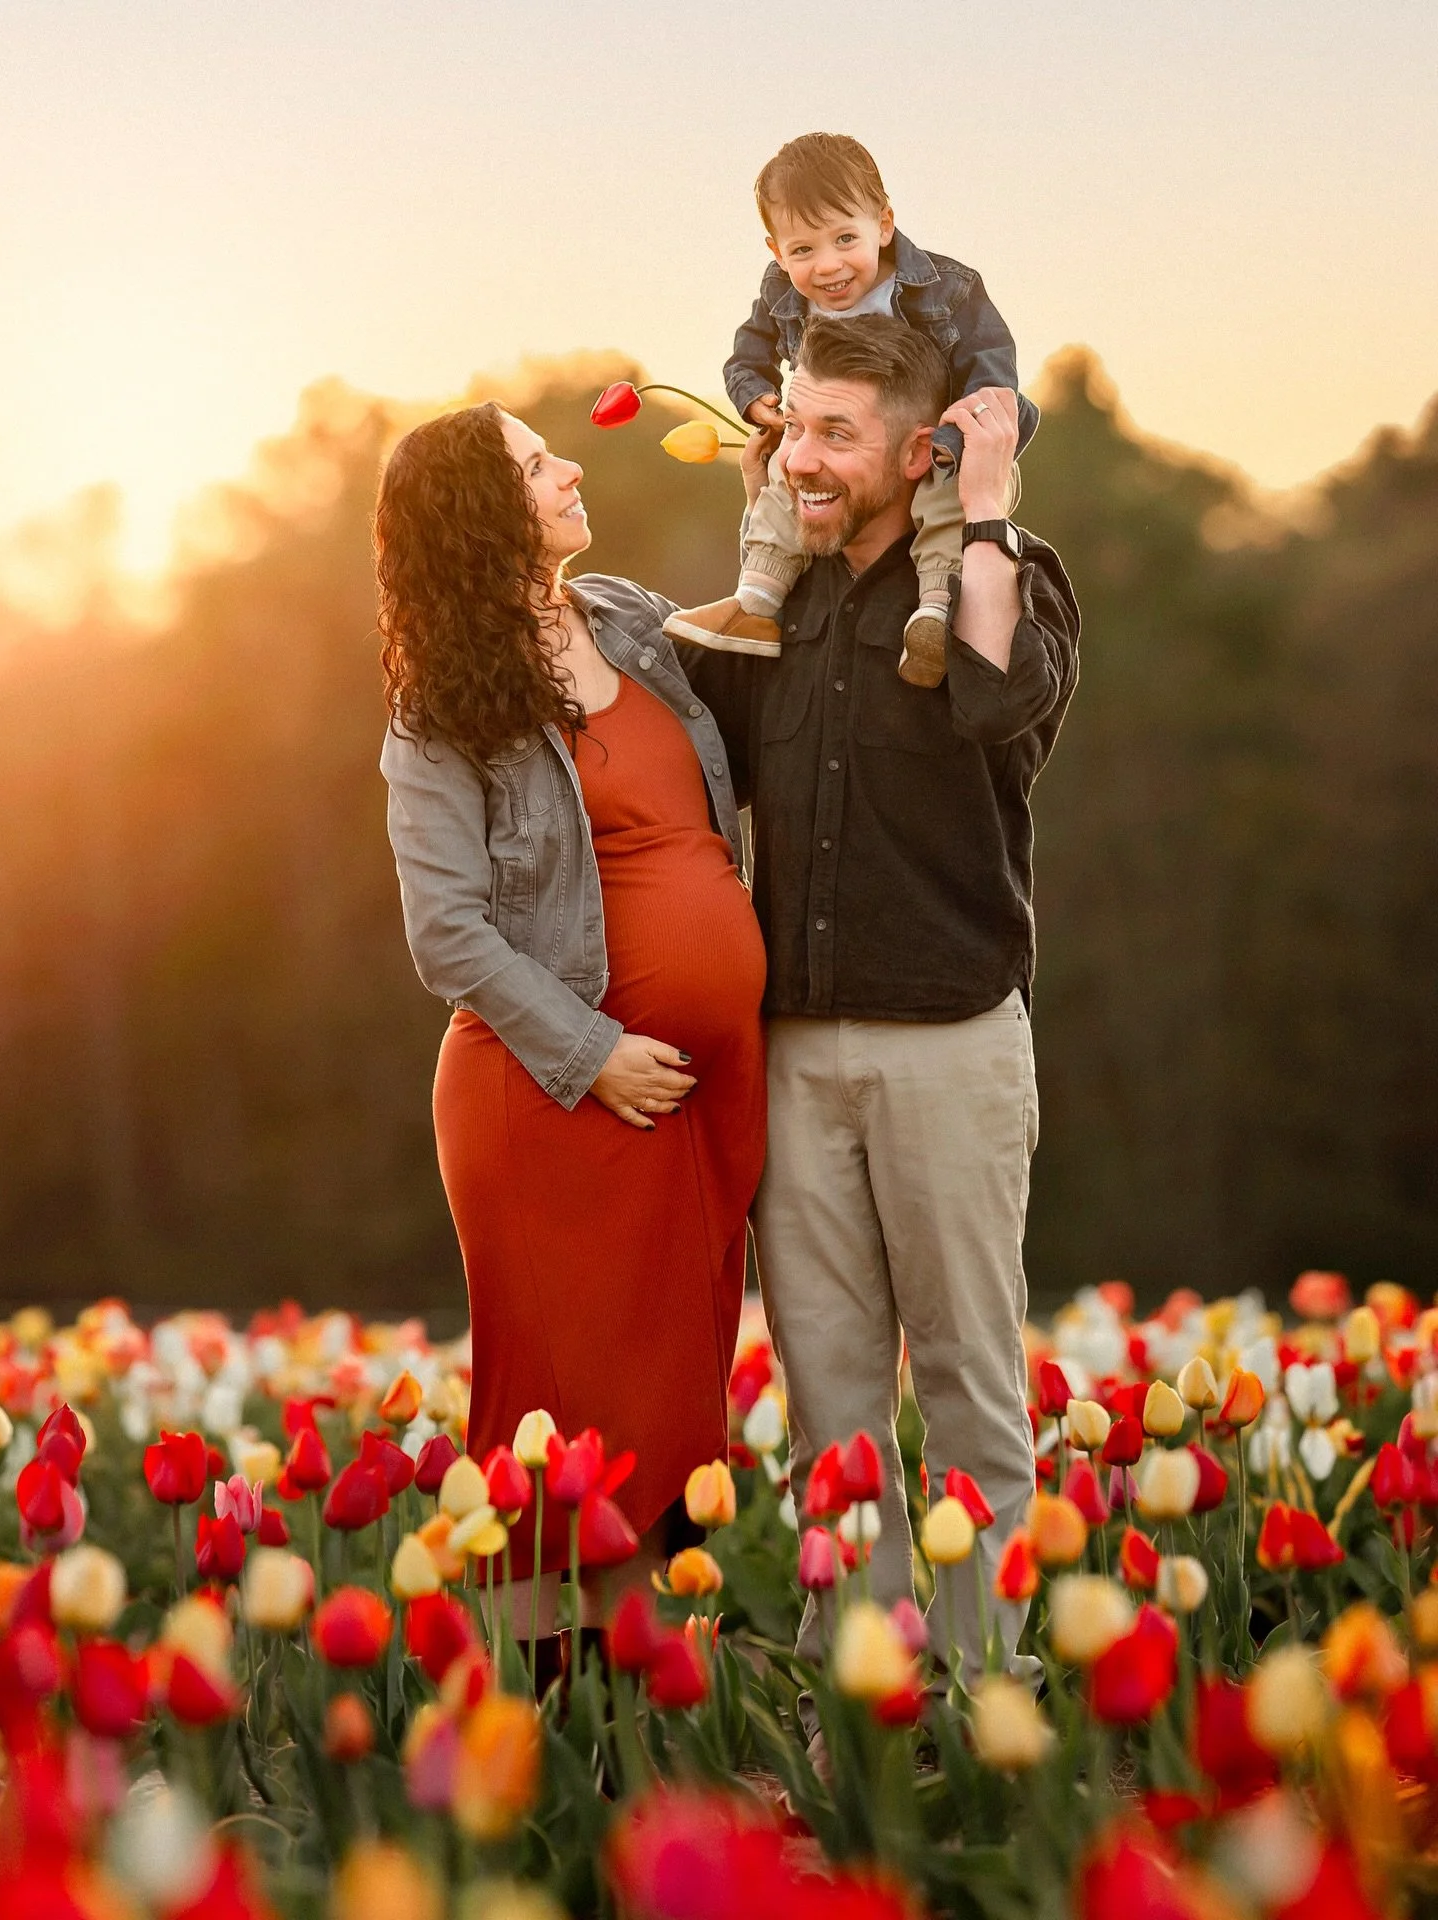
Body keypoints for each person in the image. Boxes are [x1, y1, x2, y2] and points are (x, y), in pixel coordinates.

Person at [675, 314, 1080, 1684]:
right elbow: (683, 768)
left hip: (952, 1045)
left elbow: (988, 701)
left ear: (918, 449)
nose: (798, 455)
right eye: (790, 424)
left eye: (833, 433)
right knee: (831, 1398)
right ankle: (857, 1694)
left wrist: (987, 508)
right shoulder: (765, 603)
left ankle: (986, 1695)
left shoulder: (1004, 581)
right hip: (792, 1056)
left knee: (970, 1377)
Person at [375, 403, 767, 1657]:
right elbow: (448, 935)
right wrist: (592, 1052)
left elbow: (768, 646)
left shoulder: (632, 623)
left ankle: (646, 1723)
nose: (570, 467)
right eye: (538, 465)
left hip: (694, 1094)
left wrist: (776, 485)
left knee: (667, 1409)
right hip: (550, 1102)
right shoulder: (441, 708)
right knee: (554, 1417)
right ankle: (546, 1724)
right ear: (484, 514)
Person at [662, 130, 1039, 689]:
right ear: (776, 251)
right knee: (778, 475)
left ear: (883, 225)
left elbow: (994, 371)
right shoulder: (779, 291)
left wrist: (959, 446)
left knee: (943, 500)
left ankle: (934, 611)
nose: (828, 267)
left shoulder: (945, 289)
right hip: (852, 454)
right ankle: (758, 601)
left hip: (930, 438)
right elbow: (747, 353)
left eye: (845, 239)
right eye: (803, 251)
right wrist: (756, 396)